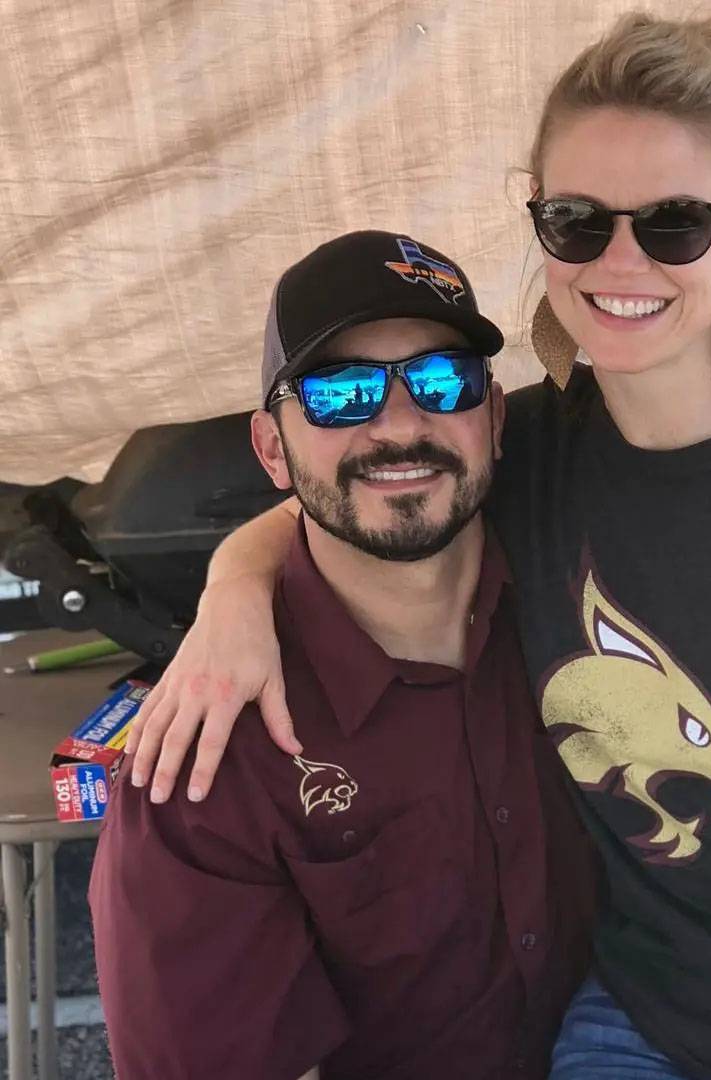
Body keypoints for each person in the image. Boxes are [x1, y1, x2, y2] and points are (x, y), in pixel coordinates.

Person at [125, 13, 711, 1080]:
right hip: (651, 1010)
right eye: (576, 221)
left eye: (671, 224)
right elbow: (376, 481)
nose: (620, 260)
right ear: (540, 223)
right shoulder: (537, 448)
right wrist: (232, 590)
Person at [89, 230, 594, 1080]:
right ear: (272, 448)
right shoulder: (204, 766)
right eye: (341, 393)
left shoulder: (574, 582)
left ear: (497, 417)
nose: (400, 426)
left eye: (441, 380)